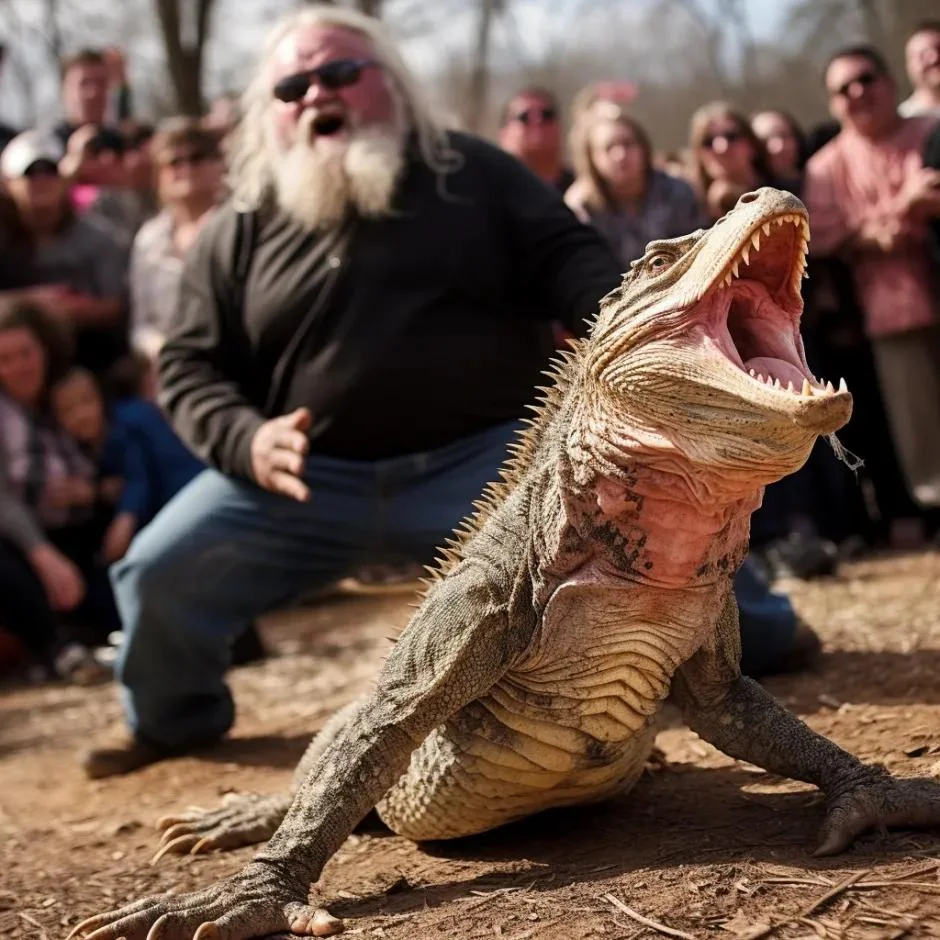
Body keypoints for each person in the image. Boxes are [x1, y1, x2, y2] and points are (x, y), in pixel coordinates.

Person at [84, 6, 817, 779]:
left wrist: (622, 339)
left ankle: (769, 632)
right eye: (292, 85)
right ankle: (175, 722)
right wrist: (244, 439)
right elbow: (189, 366)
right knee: (158, 570)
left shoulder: (471, 173)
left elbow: (574, 260)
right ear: (269, 112)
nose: (313, 96)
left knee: (668, 553)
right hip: (305, 484)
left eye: (338, 74)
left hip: (486, 471)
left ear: (392, 86)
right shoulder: (236, 228)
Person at [803, 45, 940, 528]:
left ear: (890, 81)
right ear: (832, 103)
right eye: (843, 89)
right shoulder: (825, 167)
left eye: (866, 79)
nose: (857, 93)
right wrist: (903, 208)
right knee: (918, 425)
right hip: (891, 310)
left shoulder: (930, 132)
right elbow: (822, 234)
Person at [0, 302, 116, 681]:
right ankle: (58, 650)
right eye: (5, 358)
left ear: (45, 350)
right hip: (27, 548)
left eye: (26, 353)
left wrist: (95, 492)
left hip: (85, 533)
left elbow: (117, 467)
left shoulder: (69, 394)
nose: (20, 367)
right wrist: (42, 554)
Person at [0, 129, 129, 374]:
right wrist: (39, 304)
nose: (42, 181)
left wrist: (76, 309)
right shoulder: (4, 240)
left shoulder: (101, 238)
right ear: (8, 183)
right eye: (30, 174)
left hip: (91, 364)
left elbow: (114, 305)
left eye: (50, 171)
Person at [50, 366, 204, 564]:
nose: (81, 415)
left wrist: (125, 519)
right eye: (68, 410)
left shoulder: (129, 421)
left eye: (87, 401)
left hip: (188, 497)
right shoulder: (82, 452)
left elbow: (138, 477)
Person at [564, 101, 704, 267]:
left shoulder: (678, 192)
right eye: (609, 148)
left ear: (643, 148)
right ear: (592, 158)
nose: (621, 155)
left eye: (628, 143)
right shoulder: (581, 208)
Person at [129, 118, 225, 359]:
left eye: (197, 157)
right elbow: (141, 325)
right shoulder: (150, 238)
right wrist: (165, 353)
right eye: (174, 162)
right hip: (167, 365)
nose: (186, 169)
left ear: (219, 164)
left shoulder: (241, 227)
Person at [687, 101, 780, 221]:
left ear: (752, 144)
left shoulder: (790, 193)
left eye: (731, 136)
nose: (721, 148)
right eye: (708, 141)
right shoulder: (687, 211)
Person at [497, 87, 573, 193]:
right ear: (503, 134)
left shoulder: (587, 193)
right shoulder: (485, 191)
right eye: (524, 117)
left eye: (546, 115)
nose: (537, 121)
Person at [750, 109, 807, 191]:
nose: (780, 147)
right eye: (764, 140)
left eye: (784, 135)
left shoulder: (823, 177)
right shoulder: (751, 195)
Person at [898, 21, 940, 118]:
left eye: (939, 49)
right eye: (923, 55)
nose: (934, 58)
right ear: (909, 66)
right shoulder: (904, 120)